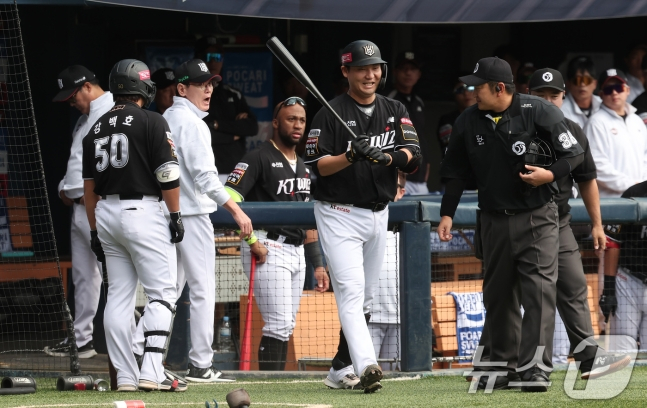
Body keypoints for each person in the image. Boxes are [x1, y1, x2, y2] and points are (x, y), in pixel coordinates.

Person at [470, 68, 631, 382]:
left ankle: (588, 360)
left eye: (553, 95)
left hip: (556, 223)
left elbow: (587, 180)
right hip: (513, 221)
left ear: (562, 97)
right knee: (505, 294)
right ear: (527, 93)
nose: (547, 100)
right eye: (540, 94)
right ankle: (496, 363)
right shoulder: (507, 125)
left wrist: (597, 224)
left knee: (572, 288)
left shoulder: (570, 130)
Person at [438, 57, 584, 392]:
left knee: (539, 293)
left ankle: (535, 369)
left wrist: (549, 174)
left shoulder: (538, 111)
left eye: (478, 86)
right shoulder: (467, 120)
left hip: (537, 216)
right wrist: (447, 213)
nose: (471, 91)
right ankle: (502, 366)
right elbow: (455, 173)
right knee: (498, 295)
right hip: (492, 219)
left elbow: (573, 154)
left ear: (499, 88)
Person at [304, 40, 421, 393]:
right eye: (361, 68)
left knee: (366, 297)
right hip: (338, 212)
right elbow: (317, 166)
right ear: (346, 72)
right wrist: (351, 155)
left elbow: (414, 156)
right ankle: (367, 363)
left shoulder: (394, 107)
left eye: (375, 67)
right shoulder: (329, 112)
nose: (370, 74)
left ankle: (340, 368)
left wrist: (386, 159)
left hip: (378, 212)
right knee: (352, 292)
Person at [82, 59, 186, 392]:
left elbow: (88, 192)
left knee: (118, 299)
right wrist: (175, 215)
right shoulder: (152, 121)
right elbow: (167, 174)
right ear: (143, 88)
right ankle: (151, 372)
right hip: (143, 211)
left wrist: (95, 231)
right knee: (162, 294)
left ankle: (125, 377)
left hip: (106, 214)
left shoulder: (95, 127)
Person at [162, 59, 253, 382]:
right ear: (182, 89)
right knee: (202, 289)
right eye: (202, 84)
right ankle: (200, 363)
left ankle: (145, 356)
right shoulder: (193, 123)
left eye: (212, 83)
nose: (209, 89)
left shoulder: (165, 119)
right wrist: (236, 209)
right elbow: (205, 177)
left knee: (167, 290)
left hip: (167, 215)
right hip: (193, 215)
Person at [225, 98, 328, 370]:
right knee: (279, 323)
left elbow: (309, 222)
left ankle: (274, 382)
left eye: (302, 120)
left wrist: (318, 264)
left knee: (286, 324)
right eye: (291, 119)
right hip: (267, 245)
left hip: (296, 251)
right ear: (275, 122)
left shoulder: (304, 167)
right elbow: (229, 199)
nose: (297, 125)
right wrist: (251, 241)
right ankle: (269, 382)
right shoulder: (258, 156)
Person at [45, 65, 114, 359]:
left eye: (74, 96)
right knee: (84, 277)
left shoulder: (112, 110)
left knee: (114, 276)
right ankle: (81, 340)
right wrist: (65, 187)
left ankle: (128, 344)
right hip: (77, 206)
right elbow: (77, 162)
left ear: (87, 86)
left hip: (99, 206)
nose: (72, 102)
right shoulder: (85, 117)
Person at [196, 35, 259, 183]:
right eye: (207, 56)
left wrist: (218, 125)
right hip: (205, 173)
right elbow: (202, 134)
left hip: (235, 173)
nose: (212, 61)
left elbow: (252, 127)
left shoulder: (233, 94)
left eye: (217, 57)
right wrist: (234, 135)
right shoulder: (194, 95)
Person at [584, 68, 647, 197]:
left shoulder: (636, 121)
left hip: (641, 197)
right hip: (612, 201)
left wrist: (642, 186)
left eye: (619, 88)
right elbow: (596, 165)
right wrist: (632, 185)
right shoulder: (595, 122)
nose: (614, 93)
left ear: (627, 90)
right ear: (601, 95)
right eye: (608, 89)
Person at [368, 171, 406, 371]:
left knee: (397, 380)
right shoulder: (365, 219)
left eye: (393, 185)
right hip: (369, 317)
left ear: (401, 192)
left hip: (400, 318)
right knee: (365, 372)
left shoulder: (409, 227)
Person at [603, 180, 647, 352]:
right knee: (621, 354)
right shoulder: (633, 193)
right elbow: (613, 242)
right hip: (628, 280)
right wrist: (608, 289)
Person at [386, 52, 429, 195]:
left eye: (413, 69)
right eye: (404, 69)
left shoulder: (419, 102)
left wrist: (426, 166)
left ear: (419, 74)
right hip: (397, 176)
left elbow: (422, 137)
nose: (408, 73)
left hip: (420, 178)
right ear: (395, 72)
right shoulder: (387, 100)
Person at [437, 79, 476, 158]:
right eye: (460, 89)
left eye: (470, 87)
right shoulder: (447, 120)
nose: (466, 93)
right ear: (454, 94)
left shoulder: (488, 117)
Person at [562, 56, 601, 129]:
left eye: (587, 80)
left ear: (595, 84)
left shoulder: (604, 105)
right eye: (577, 80)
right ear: (568, 84)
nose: (582, 85)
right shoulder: (560, 109)